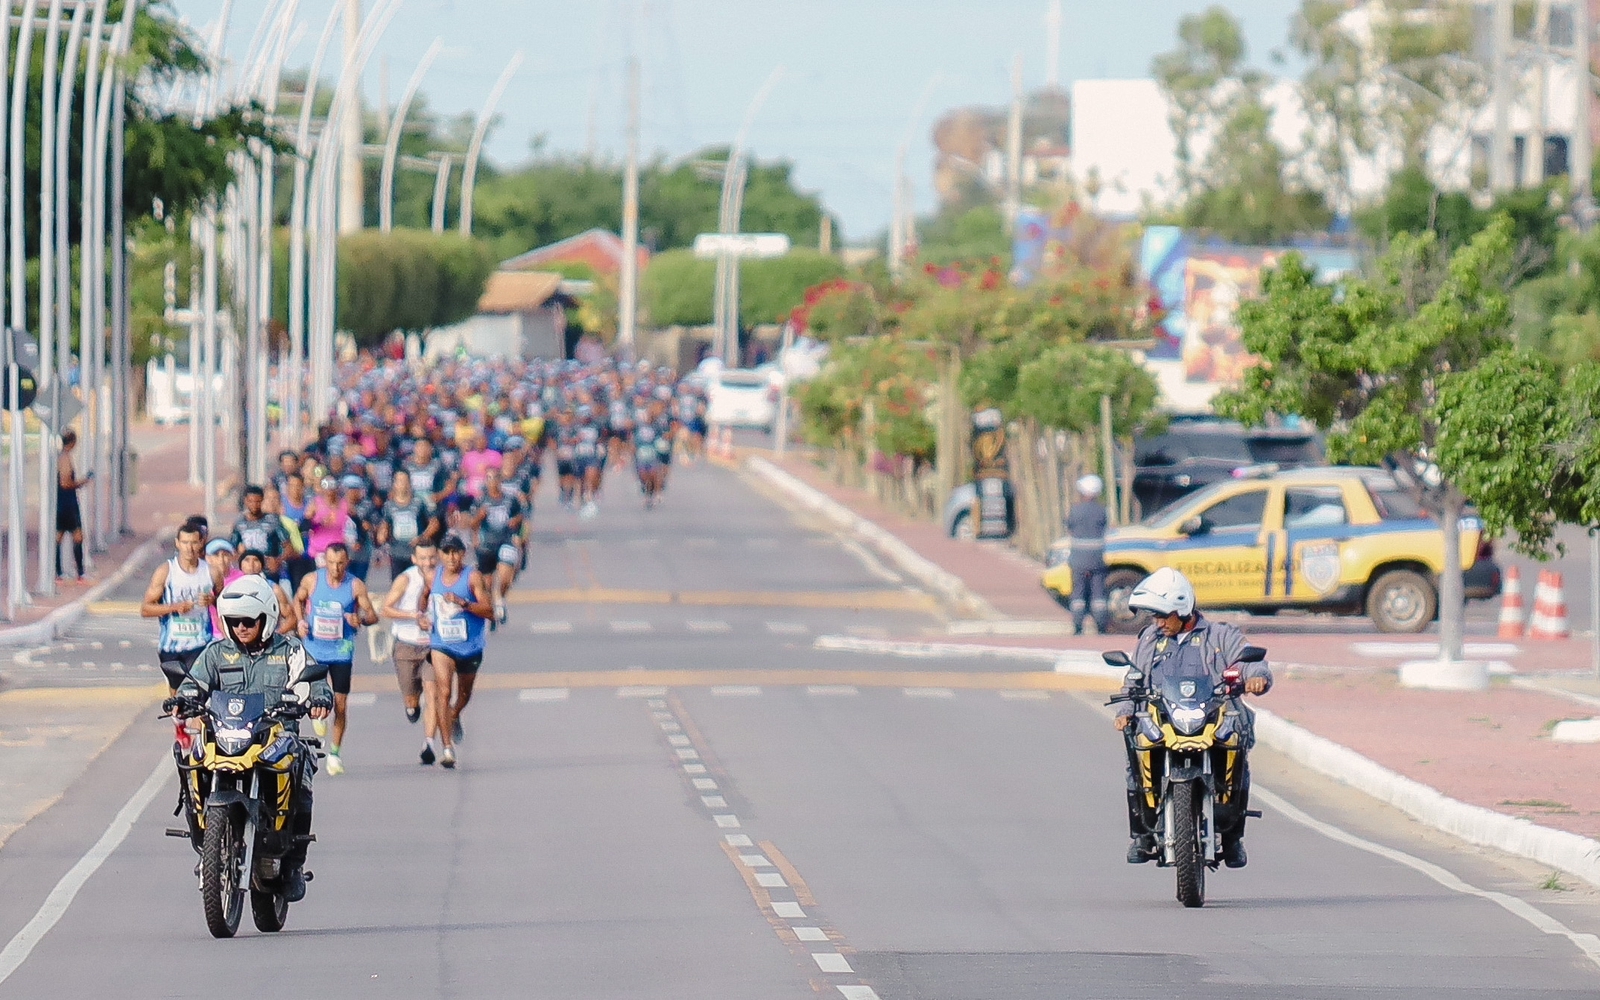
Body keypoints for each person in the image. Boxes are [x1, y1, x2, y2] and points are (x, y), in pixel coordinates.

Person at [175, 575, 331, 903]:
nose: (241, 627)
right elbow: (194, 683)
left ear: (267, 618)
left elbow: (315, 679)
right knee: (191, 759)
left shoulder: (289, 650)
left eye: (249, 620)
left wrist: (319, 697)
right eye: (234, 621)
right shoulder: (216, 653)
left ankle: (292, 864)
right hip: (225, 733)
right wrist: (185, 697)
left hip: (275, 735)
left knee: (301, 772)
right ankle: (205, 839)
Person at [1112, 568, 1271, 868]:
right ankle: (1142, 834)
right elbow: (1133, 680)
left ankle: (1234, 835)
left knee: (1237, 742)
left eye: (1164, 615)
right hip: (1163, 719)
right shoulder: (1150, 639)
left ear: (1183, 609)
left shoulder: (1221, 636)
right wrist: (1125, 710)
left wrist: (1256, 678)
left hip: (1211, 716)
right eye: (1155, 616)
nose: (1158, 622)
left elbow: (1251, 663)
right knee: (1136, 749)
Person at [294, 541, 379, 775]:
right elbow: (298, 600)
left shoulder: (355, 585)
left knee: (340, 705)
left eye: (340, 563)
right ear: (325, 561)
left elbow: (373, 616)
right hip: (315, 649)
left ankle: (334, 753)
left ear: (347, 562)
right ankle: (317, 715)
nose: (336, 568)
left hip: (341, 652)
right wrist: (301, 621)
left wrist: (359, 619)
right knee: (313, 696)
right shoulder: (312, 580)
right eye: (331, 563)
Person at [418, 535, 492, 769]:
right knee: (444, 690)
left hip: (469, 646)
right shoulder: (433, 576)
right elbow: (424, 596)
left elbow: (489, 610)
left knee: (463, 695)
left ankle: (455, 713)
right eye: (447, 552)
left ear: (463, 553)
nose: (451, 557)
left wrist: (464, 603)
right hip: (442, 644)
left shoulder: (472, 577)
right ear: (440, 554)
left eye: (456, 552)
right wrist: (422, 616)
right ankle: (447, 748)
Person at [140, 522, 217, 722]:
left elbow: (226, 605)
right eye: (185, 543)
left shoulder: (212, 572)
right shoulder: (167, 571)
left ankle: (199, 741)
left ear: (201, 543)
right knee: (177, 698)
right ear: (177, 543)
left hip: (201, 644)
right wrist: (175, 607)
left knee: (201, 696)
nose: (189, 548)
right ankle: (180, 726)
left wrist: (213, 601)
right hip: (172, 645)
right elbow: (146, 609)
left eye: (193, 543)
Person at [382, 538, 440, 764]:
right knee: (411, 698)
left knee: (433, 692)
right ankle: (411, 707)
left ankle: (429, 743)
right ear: (415, 559)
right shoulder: (406, 579)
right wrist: (412, 617)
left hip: (432, 645)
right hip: (406, 644)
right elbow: (387, 608)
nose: (428, 562)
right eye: (423, 558)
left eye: (432, 557)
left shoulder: (443, 578)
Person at [470, 467, 523, 624]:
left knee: (506, 576)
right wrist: (479, 517)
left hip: (506, 540)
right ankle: (491, 609)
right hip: (486, 544)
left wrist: (517, 526)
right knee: (487, 583)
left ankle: (500, 599)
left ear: (500, 480)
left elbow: (520, 515)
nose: (492, 482)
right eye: (489, 478)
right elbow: (472, 524)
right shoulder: (480, 501)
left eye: (495, 478)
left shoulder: (510, 499)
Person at [1065, 475, 1111, 636]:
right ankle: (1101, 625)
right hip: (1097, 560)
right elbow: (1107, 528)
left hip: (1078, 559)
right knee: (1098, 593)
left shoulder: (1075, 510)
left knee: (1078, 593)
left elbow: (1069, 528)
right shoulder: (1102, 510)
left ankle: (1078, 625)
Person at [376, 469, 438, 579]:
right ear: (394, 484)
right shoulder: (389, 506)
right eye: (399, 481)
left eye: (405, 481)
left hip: (417, 554)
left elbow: (434, 524)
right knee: (399, 586)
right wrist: (382, 535)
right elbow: (384, 528)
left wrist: (422, 538)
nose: (402, 484)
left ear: (409, 483)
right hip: (397, 553)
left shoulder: (419, 503)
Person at [230, 485, 290, 577]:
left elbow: (288, 547)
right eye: (251, 501)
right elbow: (232, 551)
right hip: (247, 573)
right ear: (245, 501)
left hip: (270, 573)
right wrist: (240, 555)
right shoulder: (239, 524)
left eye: (257, 501)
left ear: (262, 500)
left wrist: (278, 561)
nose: (254, 505)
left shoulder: (273, 521)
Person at [55, 429, 91, 582]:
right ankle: (79, 573)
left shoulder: (63, 457)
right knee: (77, 536)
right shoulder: (65, 459)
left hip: (63, 501)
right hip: (67, 502)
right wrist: (81, 482)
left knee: (60, 536)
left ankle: (60, 571)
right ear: (73, 442)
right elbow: (65, 482)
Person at [238, 548, 299, 635]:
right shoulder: (233, 588)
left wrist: (274, 636)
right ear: (241, 565)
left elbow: (292, 618)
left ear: (262, 565)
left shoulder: (274, 589)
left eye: (255, 560)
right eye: (247, 560)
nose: (251, 564)